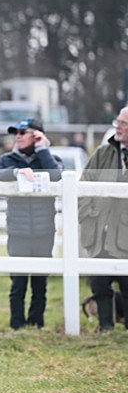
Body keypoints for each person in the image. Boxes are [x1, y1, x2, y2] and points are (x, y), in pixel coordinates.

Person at [0, 118, 63, 329]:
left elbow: (57, 176)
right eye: (16, 132)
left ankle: (37, 323)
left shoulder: (50, 159)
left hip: (44, 232)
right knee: (18, 285)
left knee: (40, 285)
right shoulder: (7, 159)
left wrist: (42, 149)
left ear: (37, 135)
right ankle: (17, 325)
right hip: (18, 232)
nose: (17, 136)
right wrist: (16, 173)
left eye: (23, 132)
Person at [78, 106, 128, 331]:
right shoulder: (103, 153)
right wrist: (88, 216)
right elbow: (82, 188)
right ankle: (106, 328)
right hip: (99, 232)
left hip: (125, 235)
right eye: (117, 121)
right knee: (99, 283)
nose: (118, 126)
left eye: (124, 123)